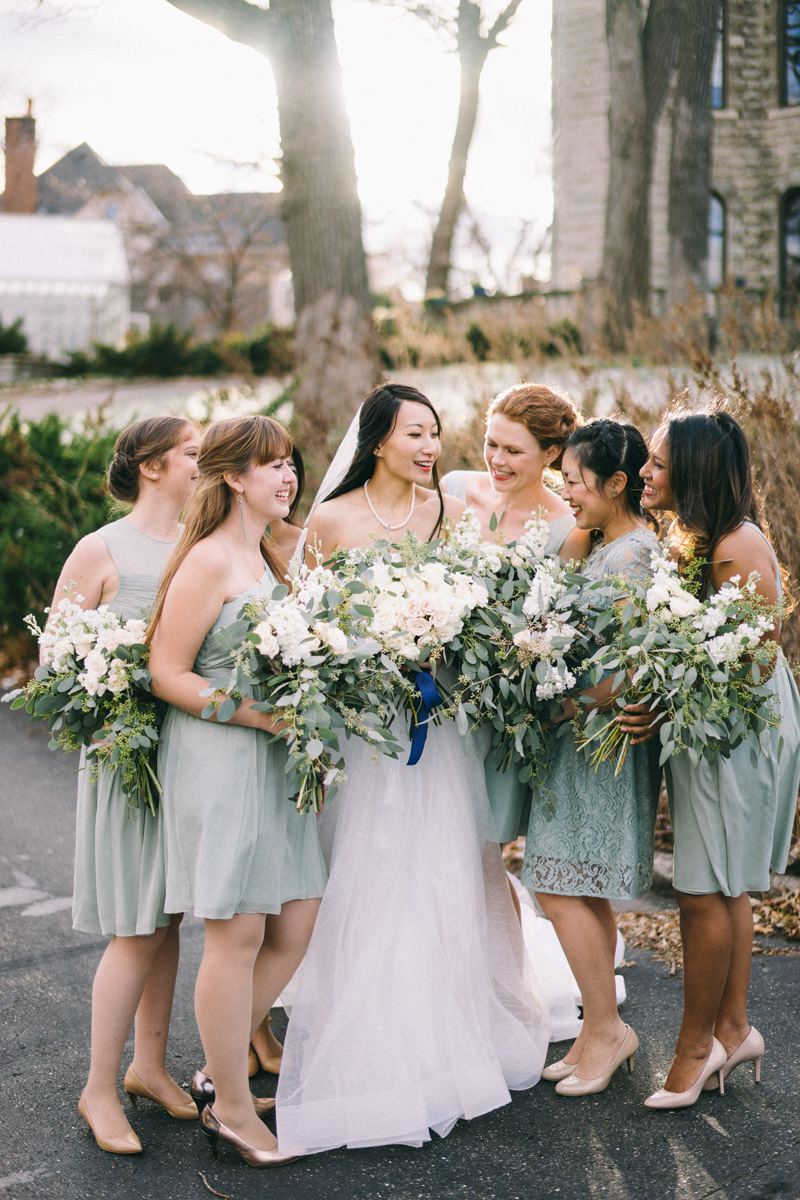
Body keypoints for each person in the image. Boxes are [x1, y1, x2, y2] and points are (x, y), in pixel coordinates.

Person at [274, 382, 552, 1155]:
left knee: (443, 866)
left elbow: (482, 597)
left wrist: (447, 634)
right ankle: (368, 1025)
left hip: (439, 726)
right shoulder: (331, 520)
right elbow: (310, 624)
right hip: (369, 729)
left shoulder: (450, 513)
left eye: (435, 433)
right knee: (370, 864)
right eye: (415, 433)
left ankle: (450, 1018)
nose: (431, 447)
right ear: (378, 440)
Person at [148, 415, 326, 1167]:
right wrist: (252, 713)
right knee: (240, 934)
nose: (286, 477)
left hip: (274, 761)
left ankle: (221, 1071)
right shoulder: (209, 562)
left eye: (289, 463)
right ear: (231, 479)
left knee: (297, 921)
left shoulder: (270, 556)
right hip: (222, 759)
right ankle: (230, 1106)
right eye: (270, 466)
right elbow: (168, 671)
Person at [631, 410, 800, 1109]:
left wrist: (665, 702)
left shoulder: (735, 547)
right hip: (713, 730)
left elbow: (754, 665)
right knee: (720, 886)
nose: (645, 470)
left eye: (660, 463)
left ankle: (696, 1048)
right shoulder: (700, 541)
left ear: (695, 472)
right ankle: (733, 1030)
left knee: (702, 891)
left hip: (738, 735)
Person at [54, 415, 201, 1154]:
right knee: (136, 926)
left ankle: (150, 1065)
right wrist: (110, 690)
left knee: (169, 916)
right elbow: (58, 660)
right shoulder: (101, 548)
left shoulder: (197, 544)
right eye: (192, 454)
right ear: (151, 465)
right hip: (125, 758)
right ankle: (98, 1087)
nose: (202, 465)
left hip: (187, 754)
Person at [521, 420, 663, 1097]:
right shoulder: (606, 542)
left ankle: (607, 1028)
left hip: (596, 737)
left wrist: (566, 704)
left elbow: (628, 664)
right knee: (576, 883)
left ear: (615, 484)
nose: (566, 493)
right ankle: (595, 1025)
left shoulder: (633, 554)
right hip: (578, 736)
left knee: (557, 883)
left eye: (575, 483)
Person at [443, 383, 591, 848]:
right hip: (434, 685)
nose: (497, 460)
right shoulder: (453, 489)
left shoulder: (569, 527)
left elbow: (555, 623)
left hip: (499, 701)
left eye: (513, 450)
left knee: (477, 843)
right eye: (491, 444)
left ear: (551, 453)